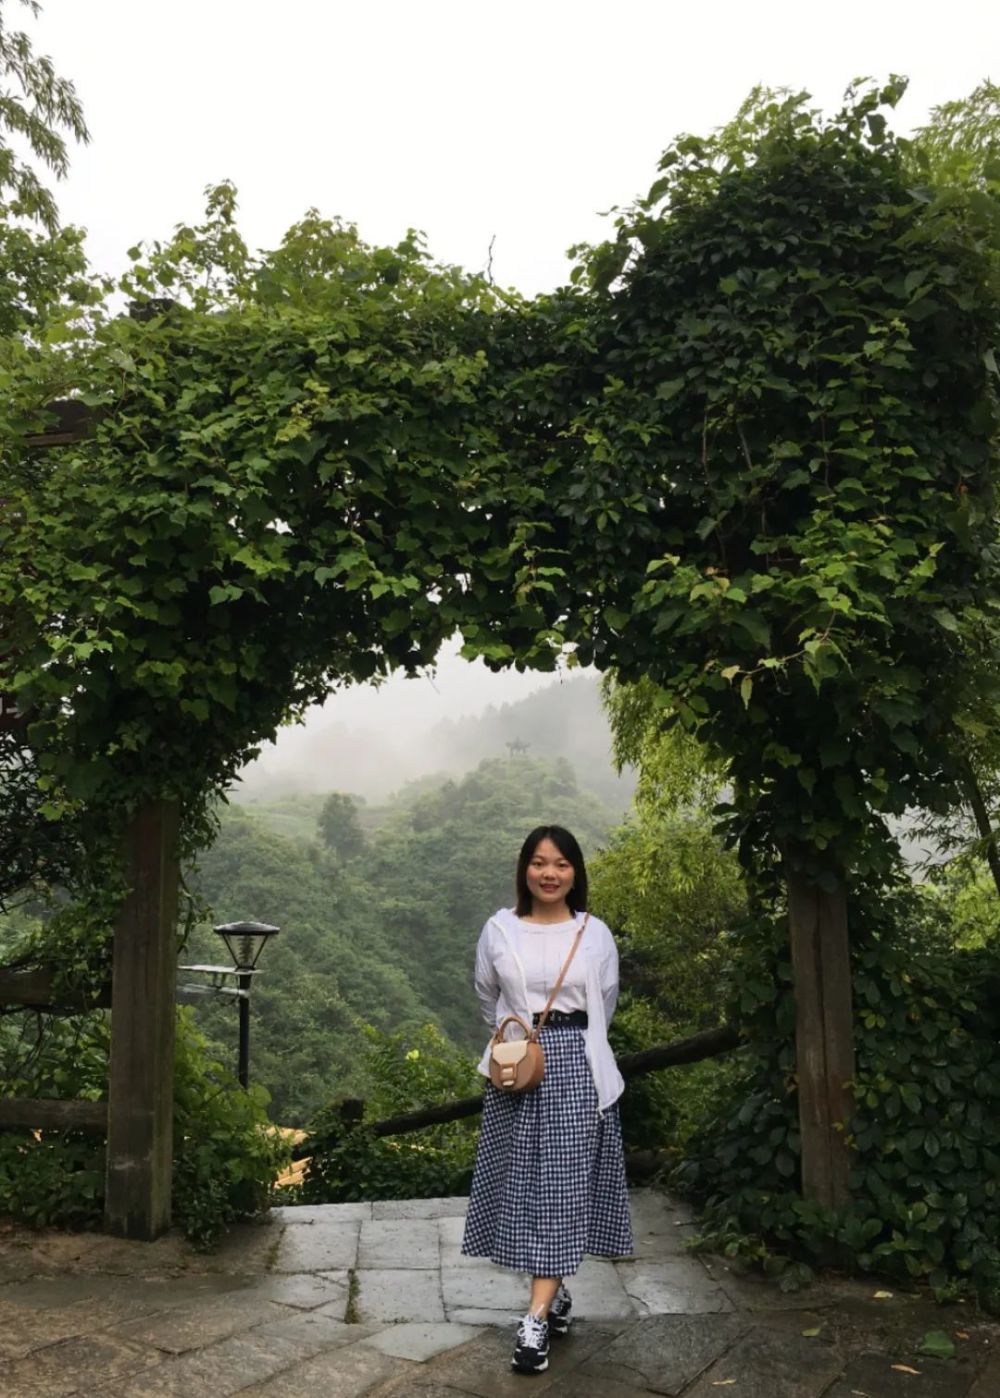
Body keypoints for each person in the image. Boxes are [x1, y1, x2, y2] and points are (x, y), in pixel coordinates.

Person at [461, 824, 634, 1375]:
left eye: (560, 863)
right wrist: (519, 1047)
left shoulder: (594, 933)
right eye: (539, 862)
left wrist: (564, 1041)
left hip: (578, 1068)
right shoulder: (500, 929)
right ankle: (554, 1294)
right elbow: (487, 996)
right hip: (518, 1068)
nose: (549, 873)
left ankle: (534, 1320)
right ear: (525, 870)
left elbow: (605, 999)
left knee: (560, 1190)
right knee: (523, 1188)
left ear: (575, 872)